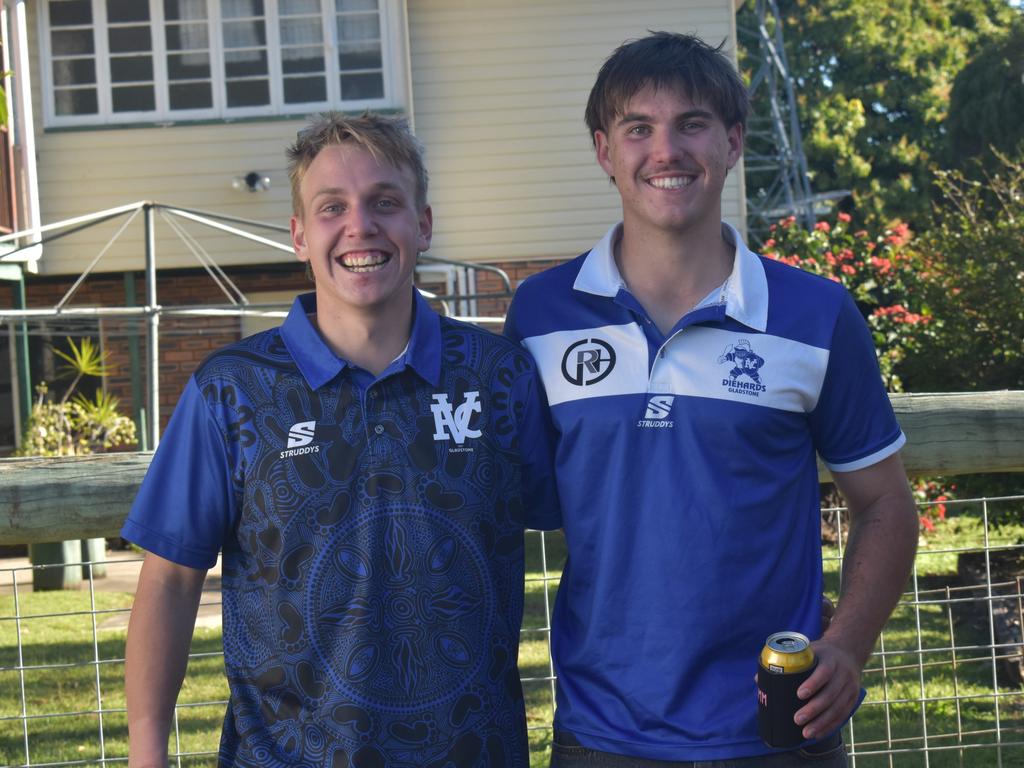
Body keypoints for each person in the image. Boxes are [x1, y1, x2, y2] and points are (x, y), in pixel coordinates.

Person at [504, 32, 919, 766]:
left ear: (731, 142)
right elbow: (510, 499)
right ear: (605, 151)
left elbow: (886, 503)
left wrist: (849, 646)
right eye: (639, 128)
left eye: (691, 123)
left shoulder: (816, 314)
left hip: (780, 731)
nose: (666, 150)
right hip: (601, 734)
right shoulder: (540, 315)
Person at [122, 112, 559, 768]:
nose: (361, 226)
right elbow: (170, 584)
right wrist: (146, 754)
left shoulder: (502, 378)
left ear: (424, 224)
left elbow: (592, 537)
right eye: (333, 207)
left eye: (385, 201)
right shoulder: (231, 391)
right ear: (300, 235)